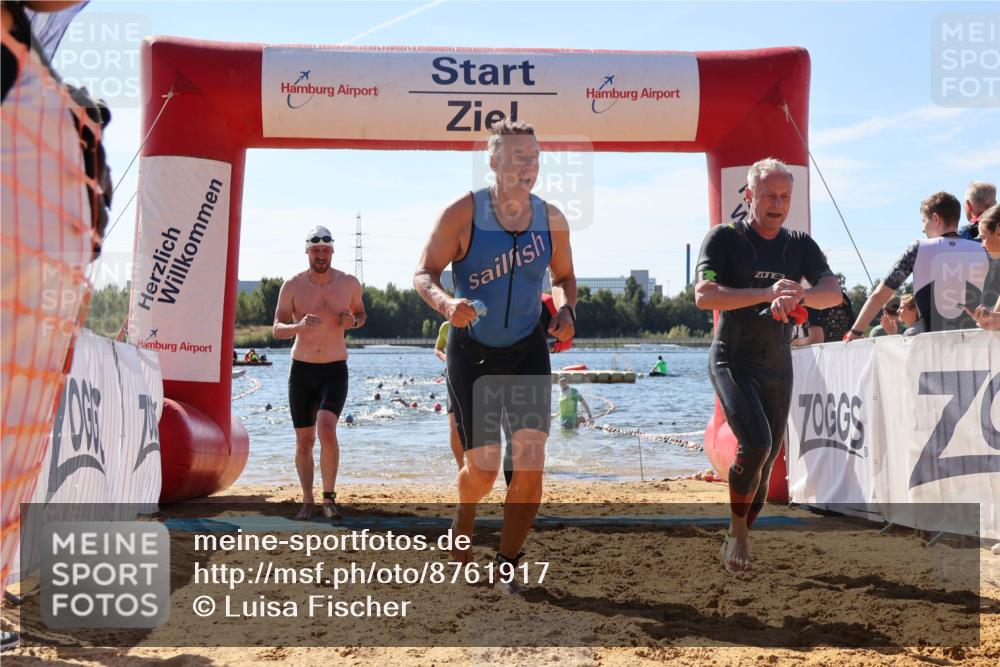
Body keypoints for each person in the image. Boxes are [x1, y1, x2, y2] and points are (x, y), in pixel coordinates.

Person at [413, 119, 577, 591]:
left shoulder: (552, 219)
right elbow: (424, 272)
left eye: (533, 158)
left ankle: (506, 565)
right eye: (516, 157)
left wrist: (566, 312)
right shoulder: (461, 213)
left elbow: (565, 279)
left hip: (527, 351)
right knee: (483, 472)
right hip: (474, 352)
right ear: (493, 161)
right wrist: (447, 304)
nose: (527, 167)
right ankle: (465, 513)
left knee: (530, 464)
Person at [694, 157, 841, 573]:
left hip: (776, 363)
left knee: (768, 455)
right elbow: (704, 296)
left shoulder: (799, 243)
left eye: (785, 197)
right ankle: (739, 534)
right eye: (769, 196)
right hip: (732, 358)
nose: (778, 204)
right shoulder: (724, 238)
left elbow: (832, 292)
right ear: (748, 196)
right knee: (755, 443)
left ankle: (736, 528)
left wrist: (798, 295)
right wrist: (764, 293)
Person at [273, 226, 366, 520]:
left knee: (326, 428)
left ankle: (329, 498)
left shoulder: (349, 283)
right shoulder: (292, 285)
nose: (321, 255)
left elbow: (361, 316)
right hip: (301, 371)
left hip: (334, 369)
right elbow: (276, 329)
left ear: (332, 252)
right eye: (316, 250)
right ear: (307, 252)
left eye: (325, 250)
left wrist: (352, 321)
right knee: (304, 441)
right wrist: (297, 327)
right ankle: (307, 500)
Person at [846, 192, 990, 339]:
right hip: (975, 346)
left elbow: (880, 295)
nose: (923, 228)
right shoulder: (984, 250)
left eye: (924, 221)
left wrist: (856, 332)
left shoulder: (918, 248)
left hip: (931, 347)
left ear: (935, 218)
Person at [434, 320, 464, 468]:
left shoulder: (479, 325)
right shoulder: (446, 326)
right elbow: (437, 348)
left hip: (476, 380)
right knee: (454, 427)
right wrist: (445, 357)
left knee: (473, 427)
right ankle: (460, 467)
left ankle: (476, 466)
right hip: (452, 379)